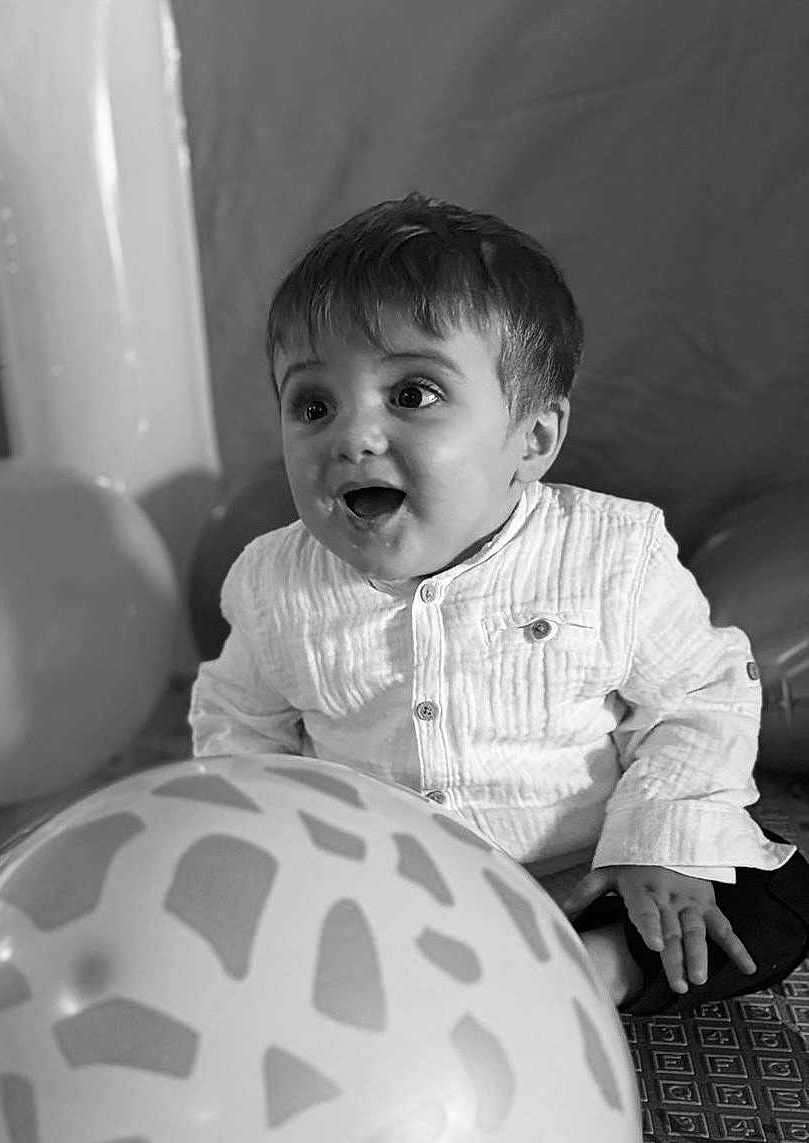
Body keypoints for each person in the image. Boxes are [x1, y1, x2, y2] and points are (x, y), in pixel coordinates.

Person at [191, 193, 809, 1015]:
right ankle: (432, 980)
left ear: (534, 440)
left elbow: (698, 699)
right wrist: (265, 853)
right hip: (387, 895)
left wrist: (661, 845)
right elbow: (242, 726)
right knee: (235, 931)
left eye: (412, 394)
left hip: (588, 875)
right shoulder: (276, 585)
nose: (351, 437)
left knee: (776, 902)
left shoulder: (610, 555)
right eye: (313, 405)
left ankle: (594, 973)